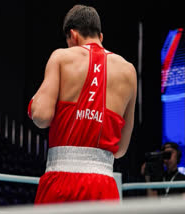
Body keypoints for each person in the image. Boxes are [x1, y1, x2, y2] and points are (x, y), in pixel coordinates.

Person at [27, 4, 137, 203]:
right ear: (100, 36)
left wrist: (34, 102)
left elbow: (41, 117)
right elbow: (120, 149)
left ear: (73, 35)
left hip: (61, 181)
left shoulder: (61, 57)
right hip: (104, 186)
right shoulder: (129, 71)